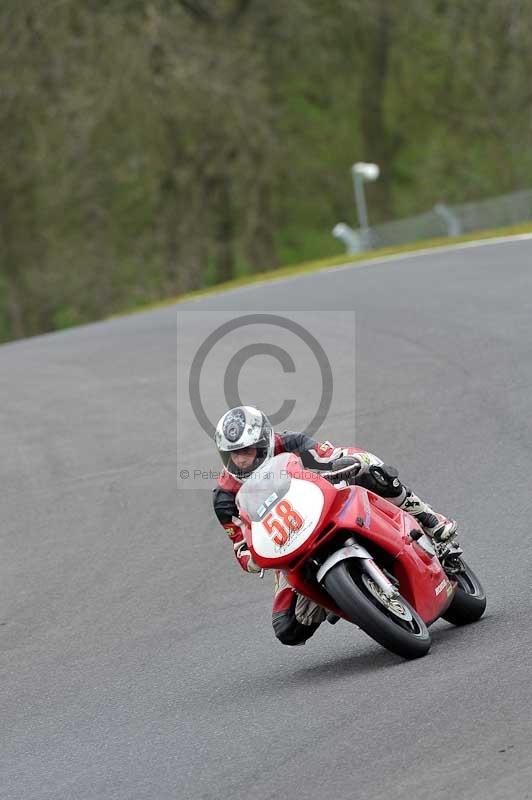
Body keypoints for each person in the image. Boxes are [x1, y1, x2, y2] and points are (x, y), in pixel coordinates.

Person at [212, 405, 457, 647]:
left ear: (264, 441)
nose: (241, 460)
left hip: (325, 506)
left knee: (370, 469)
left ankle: (430, 520)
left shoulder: (291, 443)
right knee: (287, 628)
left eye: (247, 450)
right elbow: (240, 545)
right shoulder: (224, 497)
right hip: (286, 541)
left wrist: (348, 463)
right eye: (233, 454)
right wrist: (252, 558)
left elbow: (328, 457)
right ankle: (347, 596)